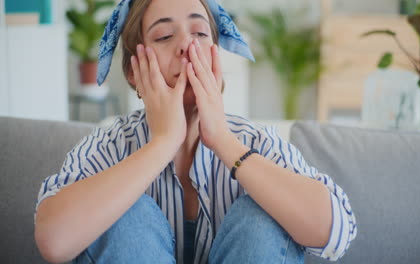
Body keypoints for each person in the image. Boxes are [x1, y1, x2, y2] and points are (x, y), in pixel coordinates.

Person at [34, 0, 357, 263]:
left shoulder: (254, 141)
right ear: (134, 72)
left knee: (263, 212)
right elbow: (53, 240)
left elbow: (337, 233)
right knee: (121, 210)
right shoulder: (110, 144)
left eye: (201, 34)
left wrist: (225, 142)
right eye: (163, 37)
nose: (187, 46)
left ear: (216, 58)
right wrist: (163, 142)